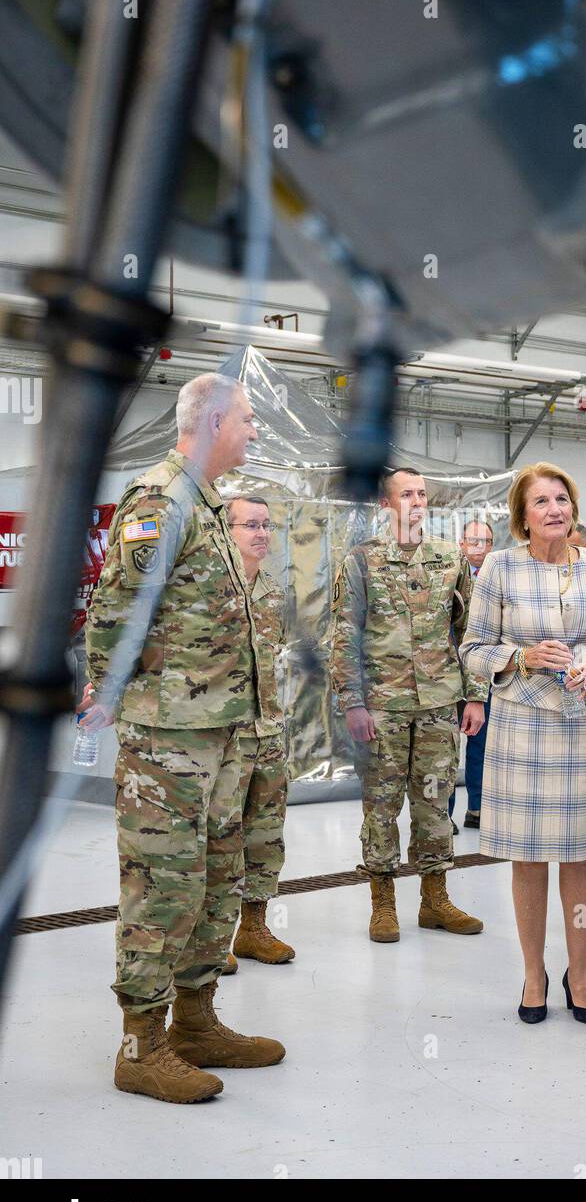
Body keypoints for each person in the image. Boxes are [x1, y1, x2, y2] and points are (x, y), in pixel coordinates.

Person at [82, 374, 285, 1104]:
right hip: (169, 736)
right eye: (249, 421)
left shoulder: (205, 503)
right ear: (215, 423)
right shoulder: (161, 499)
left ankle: (196, 1024)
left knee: (213, 879)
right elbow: (117, 605)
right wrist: (107, 685)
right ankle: (140, 1046)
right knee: (161, 886)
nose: (254, 432)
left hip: (221, 730)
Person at [460, 462, 586, 1025]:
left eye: (562, 498)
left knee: (580, 856)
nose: (554, 509)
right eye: (541, 502)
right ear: (523, 516)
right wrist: (521, 656)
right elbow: (473, 648)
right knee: (529, 856)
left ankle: (579, 975)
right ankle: (534, 974)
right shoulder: (498, 567)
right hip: (521, 726)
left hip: (583, 723)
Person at [330, 467, 488, 942]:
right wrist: (353, 703)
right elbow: (343, 635)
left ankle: (435, 900)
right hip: (383, 704)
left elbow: (472, 632)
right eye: (406, 494)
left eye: (421, 494)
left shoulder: (448, 559)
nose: (416, 502)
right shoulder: (360, 561)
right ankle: (383, 902)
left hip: (440, 702)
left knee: (435, 801)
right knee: (381, 804)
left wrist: (476, 695)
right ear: (386, 504)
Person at [222, 495, 293, 972]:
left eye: (267, 525)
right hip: (222, 738)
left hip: (267, 731)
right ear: (226, 532)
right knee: (220, 838)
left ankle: (253, 929)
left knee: (265, 837)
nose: (262, 534)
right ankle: (210, 941)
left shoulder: (272, 591)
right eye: (251, 525)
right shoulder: (208, 588)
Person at [448, 519, 495, 830]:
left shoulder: (498, 579)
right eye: (473, 541)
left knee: (481, 745)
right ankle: (443, 814)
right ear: (461, 543)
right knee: (446, 749)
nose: (480, 547)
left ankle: (477, 808)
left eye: (486, 541)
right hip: (447, 678)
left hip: (480, 675)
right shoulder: (446, 575)